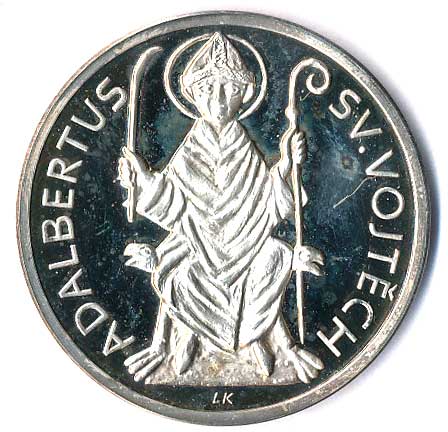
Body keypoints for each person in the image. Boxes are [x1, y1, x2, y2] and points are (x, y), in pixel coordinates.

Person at [118, 33, 324, 384]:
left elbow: (270, 203)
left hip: (247, 248)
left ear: (245, 95)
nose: (218, 100)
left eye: (230, 89)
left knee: (274, 255)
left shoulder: (245, 148)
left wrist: (288, 163)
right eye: (208, 89)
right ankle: (167, 345)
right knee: (179, 271)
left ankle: (276, 344)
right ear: (193, 95)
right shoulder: (190, 149)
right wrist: (141, 180)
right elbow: (173, 203)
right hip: (197, 250)